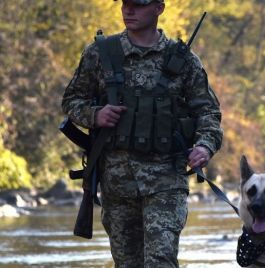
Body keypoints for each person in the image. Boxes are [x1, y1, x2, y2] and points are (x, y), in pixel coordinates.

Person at [62, 0, 223, 266]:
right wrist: (95, 115)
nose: (128, 10)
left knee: (160, 260)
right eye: (125, 4)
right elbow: (71, 100)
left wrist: (204, 146)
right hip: (116, 183)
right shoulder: (100, 53)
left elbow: (208, 113)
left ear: (159, 8)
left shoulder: (183, 60)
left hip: (166, 179)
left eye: (138, 5)